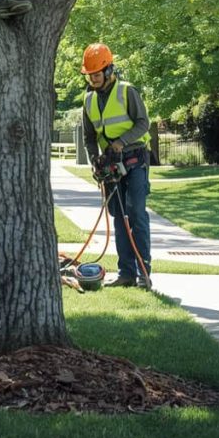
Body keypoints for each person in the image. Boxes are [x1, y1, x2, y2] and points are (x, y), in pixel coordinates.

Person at [81, 43, 152, 289]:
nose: (93, 79)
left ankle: (144, 273)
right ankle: (126, 274)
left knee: (136, 213)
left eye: (97, 74)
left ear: (109, 70)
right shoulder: (88, 100)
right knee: (119, 218)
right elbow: (89, 138)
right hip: (110, 165)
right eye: (90, 75)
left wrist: (122, 141)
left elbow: (143, 124)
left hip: (135, 159)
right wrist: (94, 161)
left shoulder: (126, 91)